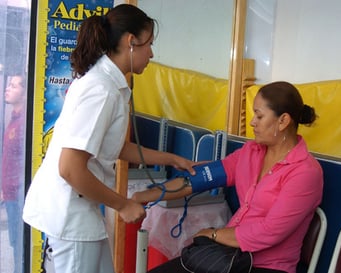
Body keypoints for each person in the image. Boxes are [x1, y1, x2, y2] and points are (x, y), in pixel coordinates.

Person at [23, 4, 196, 273]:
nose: (151, 53)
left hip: (81, 214)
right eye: (149, 44)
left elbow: (117, 147)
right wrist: (123, 204)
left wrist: (173, 158)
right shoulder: (101, 90)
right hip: (72, 218)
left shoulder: (107, 84)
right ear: (130, 42)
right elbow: (69, 167)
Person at [132, 81, 324, 273]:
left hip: (265, 266)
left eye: (259, 115)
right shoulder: (251, 152)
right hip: (225, 257)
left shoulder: (305, 172)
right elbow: (198, 179)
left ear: (283, 121)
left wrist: (214, 235)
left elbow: (270, 231)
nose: (252, 122)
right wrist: (143, 196)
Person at [1, 74, 27, 273]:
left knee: (20, 245)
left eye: (13, 85)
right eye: (8, 84)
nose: (7, 89)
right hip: (10, 195)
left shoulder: (23, 124)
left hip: (19, 196)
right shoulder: (14, 118)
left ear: (25, 92)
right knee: (15, 244)